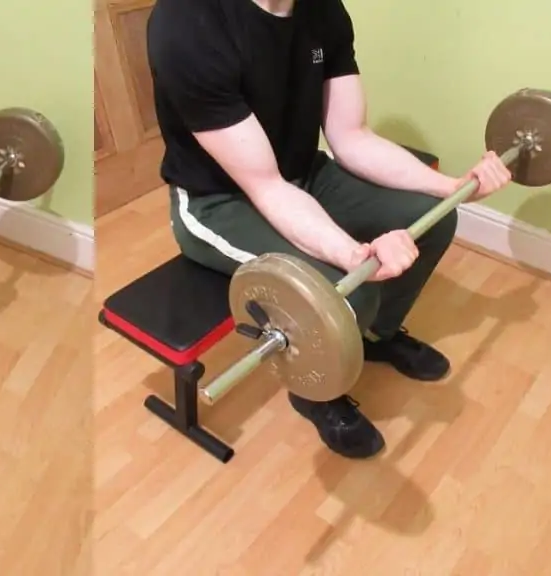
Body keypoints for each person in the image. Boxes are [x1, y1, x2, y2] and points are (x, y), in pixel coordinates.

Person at [146, 0, 513, 458]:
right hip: (216, 202)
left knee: (433, 220)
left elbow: (351, 136)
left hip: (302, 174)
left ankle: (376, 336)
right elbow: (265, 186)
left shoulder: (323, 9)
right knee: (348, 291)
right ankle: (314, 388)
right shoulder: (187, 22)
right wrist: (351, 254)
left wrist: (452, 186)